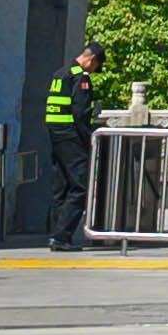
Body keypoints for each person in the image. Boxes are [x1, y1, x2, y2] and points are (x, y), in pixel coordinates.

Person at [37, 36, 111, 243]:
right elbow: (80, 113)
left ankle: (56, 234)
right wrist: (90, 138)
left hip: (56, 136)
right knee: (80, 186)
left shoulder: (60, 74)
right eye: (97, 66)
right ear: (92, 60)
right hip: (72, 138)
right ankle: (62, 236)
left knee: (61, 186)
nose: (95, 71)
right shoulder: (81, 78)